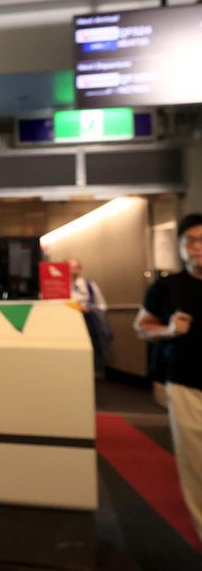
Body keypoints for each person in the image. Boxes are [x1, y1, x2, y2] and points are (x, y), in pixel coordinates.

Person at [135, 212, 202, 542]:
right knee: (196, 466)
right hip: (186, 383)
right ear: (180, 247)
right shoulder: (166, 287)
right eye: (190, 241)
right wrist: (170, 329)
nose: (197, 247)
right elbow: (142, 327)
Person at [68, 258, 111, 374]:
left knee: (91, 348)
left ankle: (93, 371)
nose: (72, 271)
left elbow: (102, 305)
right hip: (68, 325)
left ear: (80, 269)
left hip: (88, 323)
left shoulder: (89, 286)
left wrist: (90, 309)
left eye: (75, 268)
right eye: (69, 268)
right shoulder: (59, 286)